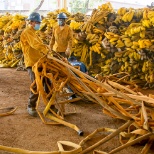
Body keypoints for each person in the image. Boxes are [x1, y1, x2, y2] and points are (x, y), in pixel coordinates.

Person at [20, 12, 51, 117]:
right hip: (32, 63)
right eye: (37, 22)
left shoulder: (34, 33)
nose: (38, 24)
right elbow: (35, 44)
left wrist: (46, 50)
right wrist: (45, 49)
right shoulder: (27, 32)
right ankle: (31, 106)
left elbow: (40, 45)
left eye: (39, 22)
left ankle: (50, 105)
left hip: (40, 62)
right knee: (37, 85)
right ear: (31, 22)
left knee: (48, 84)